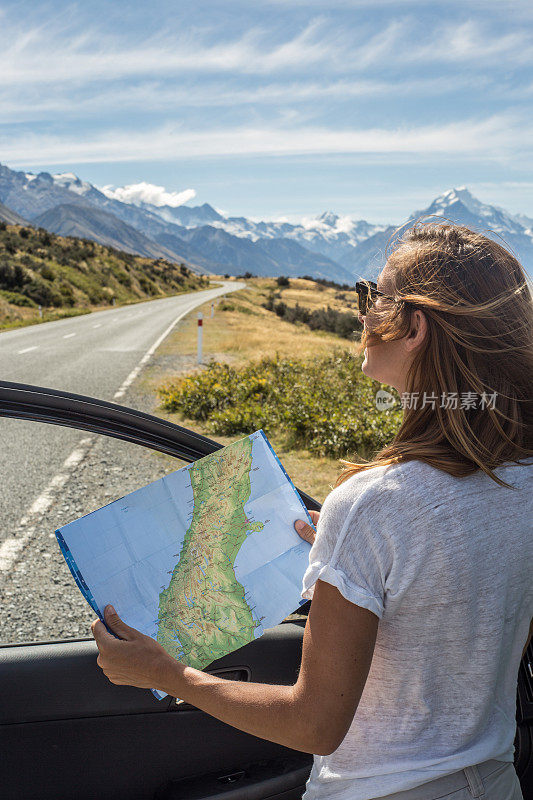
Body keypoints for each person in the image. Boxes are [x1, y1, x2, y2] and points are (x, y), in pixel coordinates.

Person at [92, 222, 532, 800]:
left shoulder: (377, 505)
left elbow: (315, 725)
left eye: (373, 297)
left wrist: (167, 675)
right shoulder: (519, 479)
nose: (362, 314)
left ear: (415, 328)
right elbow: (484, 620)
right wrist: (354, 560)